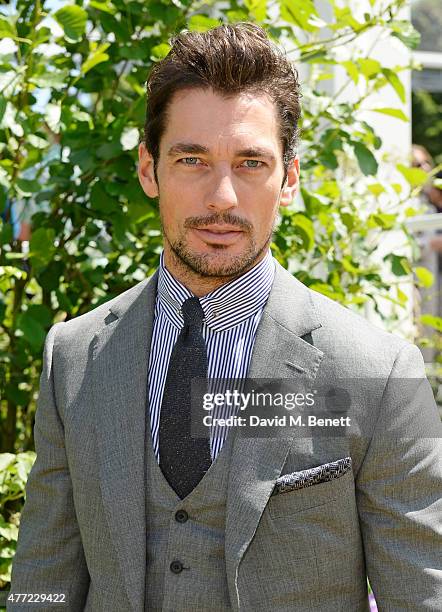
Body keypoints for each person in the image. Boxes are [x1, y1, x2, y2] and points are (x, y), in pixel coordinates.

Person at [8, 22, 442, 612]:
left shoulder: (379, 374)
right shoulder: (75, 359)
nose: (222, 198)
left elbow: (424, 595)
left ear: (288, 178)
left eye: (250, 163)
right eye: (192, 159)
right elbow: (43, 583)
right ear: (148, 169)